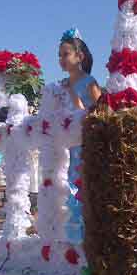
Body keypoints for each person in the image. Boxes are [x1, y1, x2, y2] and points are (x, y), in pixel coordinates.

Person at [58, 28, 102, 244]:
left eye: (66, 54)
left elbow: (99, 114)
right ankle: (70, 241)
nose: (61, 59)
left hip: (84, 148)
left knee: (80, 192)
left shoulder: (90, 82)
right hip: (66, 148)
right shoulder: (62, 85)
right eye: (60, 55)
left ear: (79, 57)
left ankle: (84, 242)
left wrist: (72, 95)